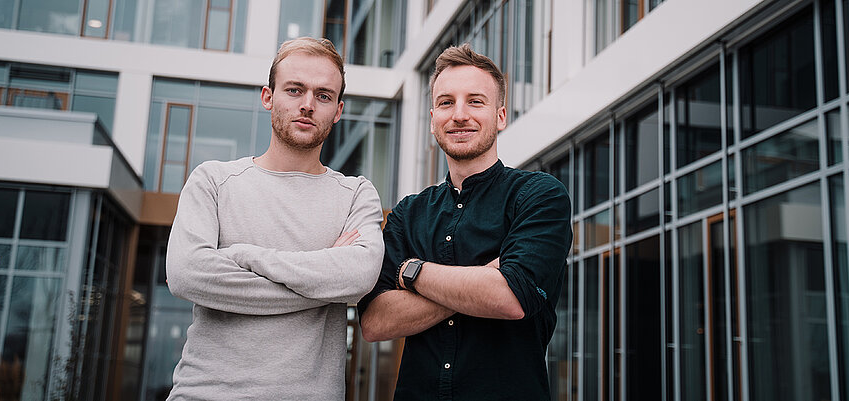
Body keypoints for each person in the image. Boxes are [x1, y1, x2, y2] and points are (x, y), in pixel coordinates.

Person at [165, 37, 384, 400]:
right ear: (268, 97)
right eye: (294, 90)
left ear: (339, 110)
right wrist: (323, 278)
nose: (308, 105)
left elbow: (359, 277)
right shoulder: (214, 181)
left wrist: (243, 256)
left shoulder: (356, 194)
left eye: (323, 95)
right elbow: (187, 274)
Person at [357, 43, 573, 400]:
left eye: (475, 101)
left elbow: (510, 299)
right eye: (446, 102)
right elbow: (375, 322)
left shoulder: (539, 196)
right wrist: (485, 280)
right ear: (432, 120)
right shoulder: (408, 213)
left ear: (500, 116)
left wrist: (412, 272)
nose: (459, 115)